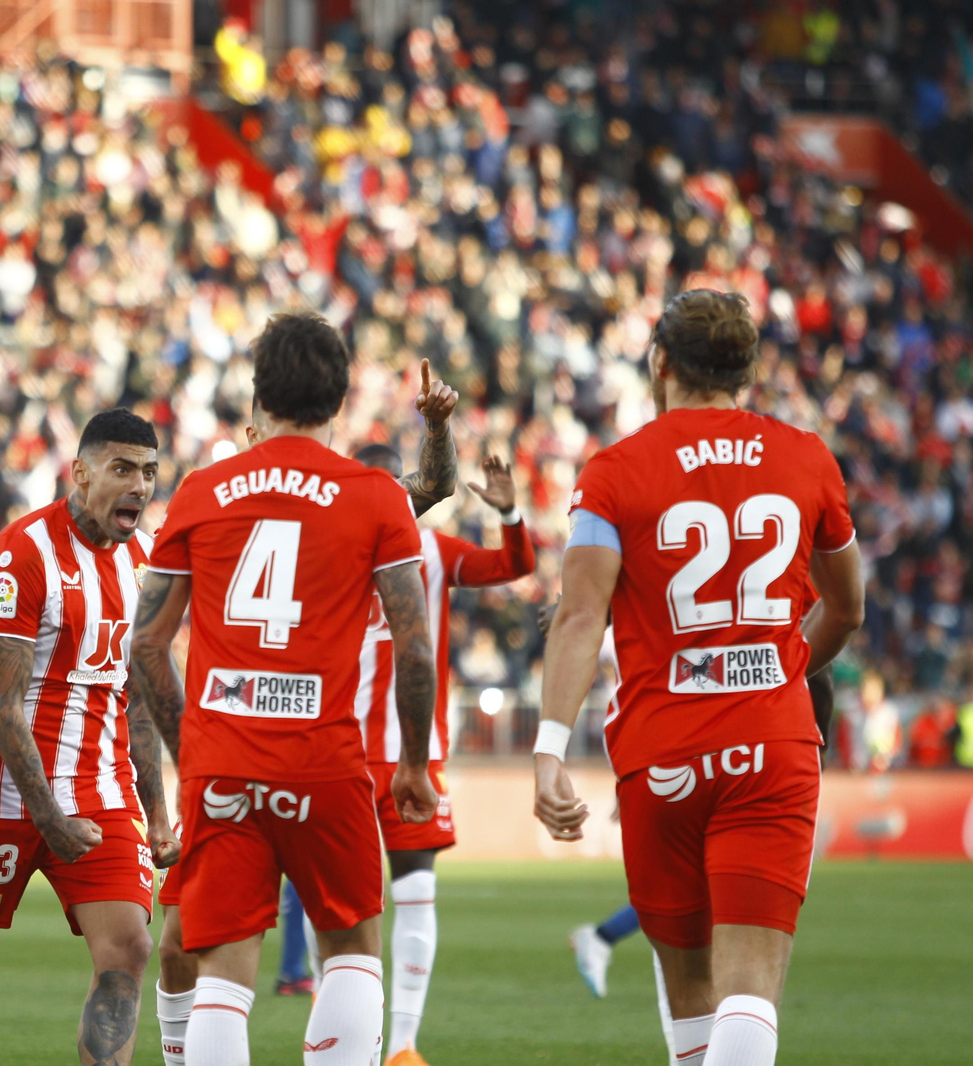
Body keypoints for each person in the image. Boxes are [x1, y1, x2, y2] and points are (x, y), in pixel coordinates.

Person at [534, 290, 864, 1066]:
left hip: (663, 750)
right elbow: (846, 610)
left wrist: (549, 750)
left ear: (660, 364)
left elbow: (580, 618)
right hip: (771, 743)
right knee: (750, 988)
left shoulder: (613, 472)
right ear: (746, 372)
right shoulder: (807, 457)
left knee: (689, 993)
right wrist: (780, 668)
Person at [131, 311, 442, 1066]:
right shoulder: (374, 496)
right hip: (325, 763)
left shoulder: (203, 492)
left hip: (224, 766)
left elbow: (145, 643)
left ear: (258, 396)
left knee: (224, 974)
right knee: (354, 949)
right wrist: (409, 762)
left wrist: (191, 749)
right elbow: (415, 645)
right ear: (339, 400)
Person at [0, 407, 178, 1066]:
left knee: (128, 948)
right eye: (123, 469)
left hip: (100, 792)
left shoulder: (145, 562)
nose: (139, 486)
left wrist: (157, 812)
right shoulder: (25, 553)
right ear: (80, 472)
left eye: (150, 473)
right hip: (8, 795)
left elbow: (135, 699)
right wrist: (48, 816)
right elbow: (3, 706)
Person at [348, 445, 534, 1066]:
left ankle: (401, 1045)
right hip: (343, 754)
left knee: (414, 891)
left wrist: (510, 516)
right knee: (346, 909)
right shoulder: (331, 547)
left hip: (405, 757)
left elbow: (512, 565)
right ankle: (363, 1039)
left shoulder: (432, 551)